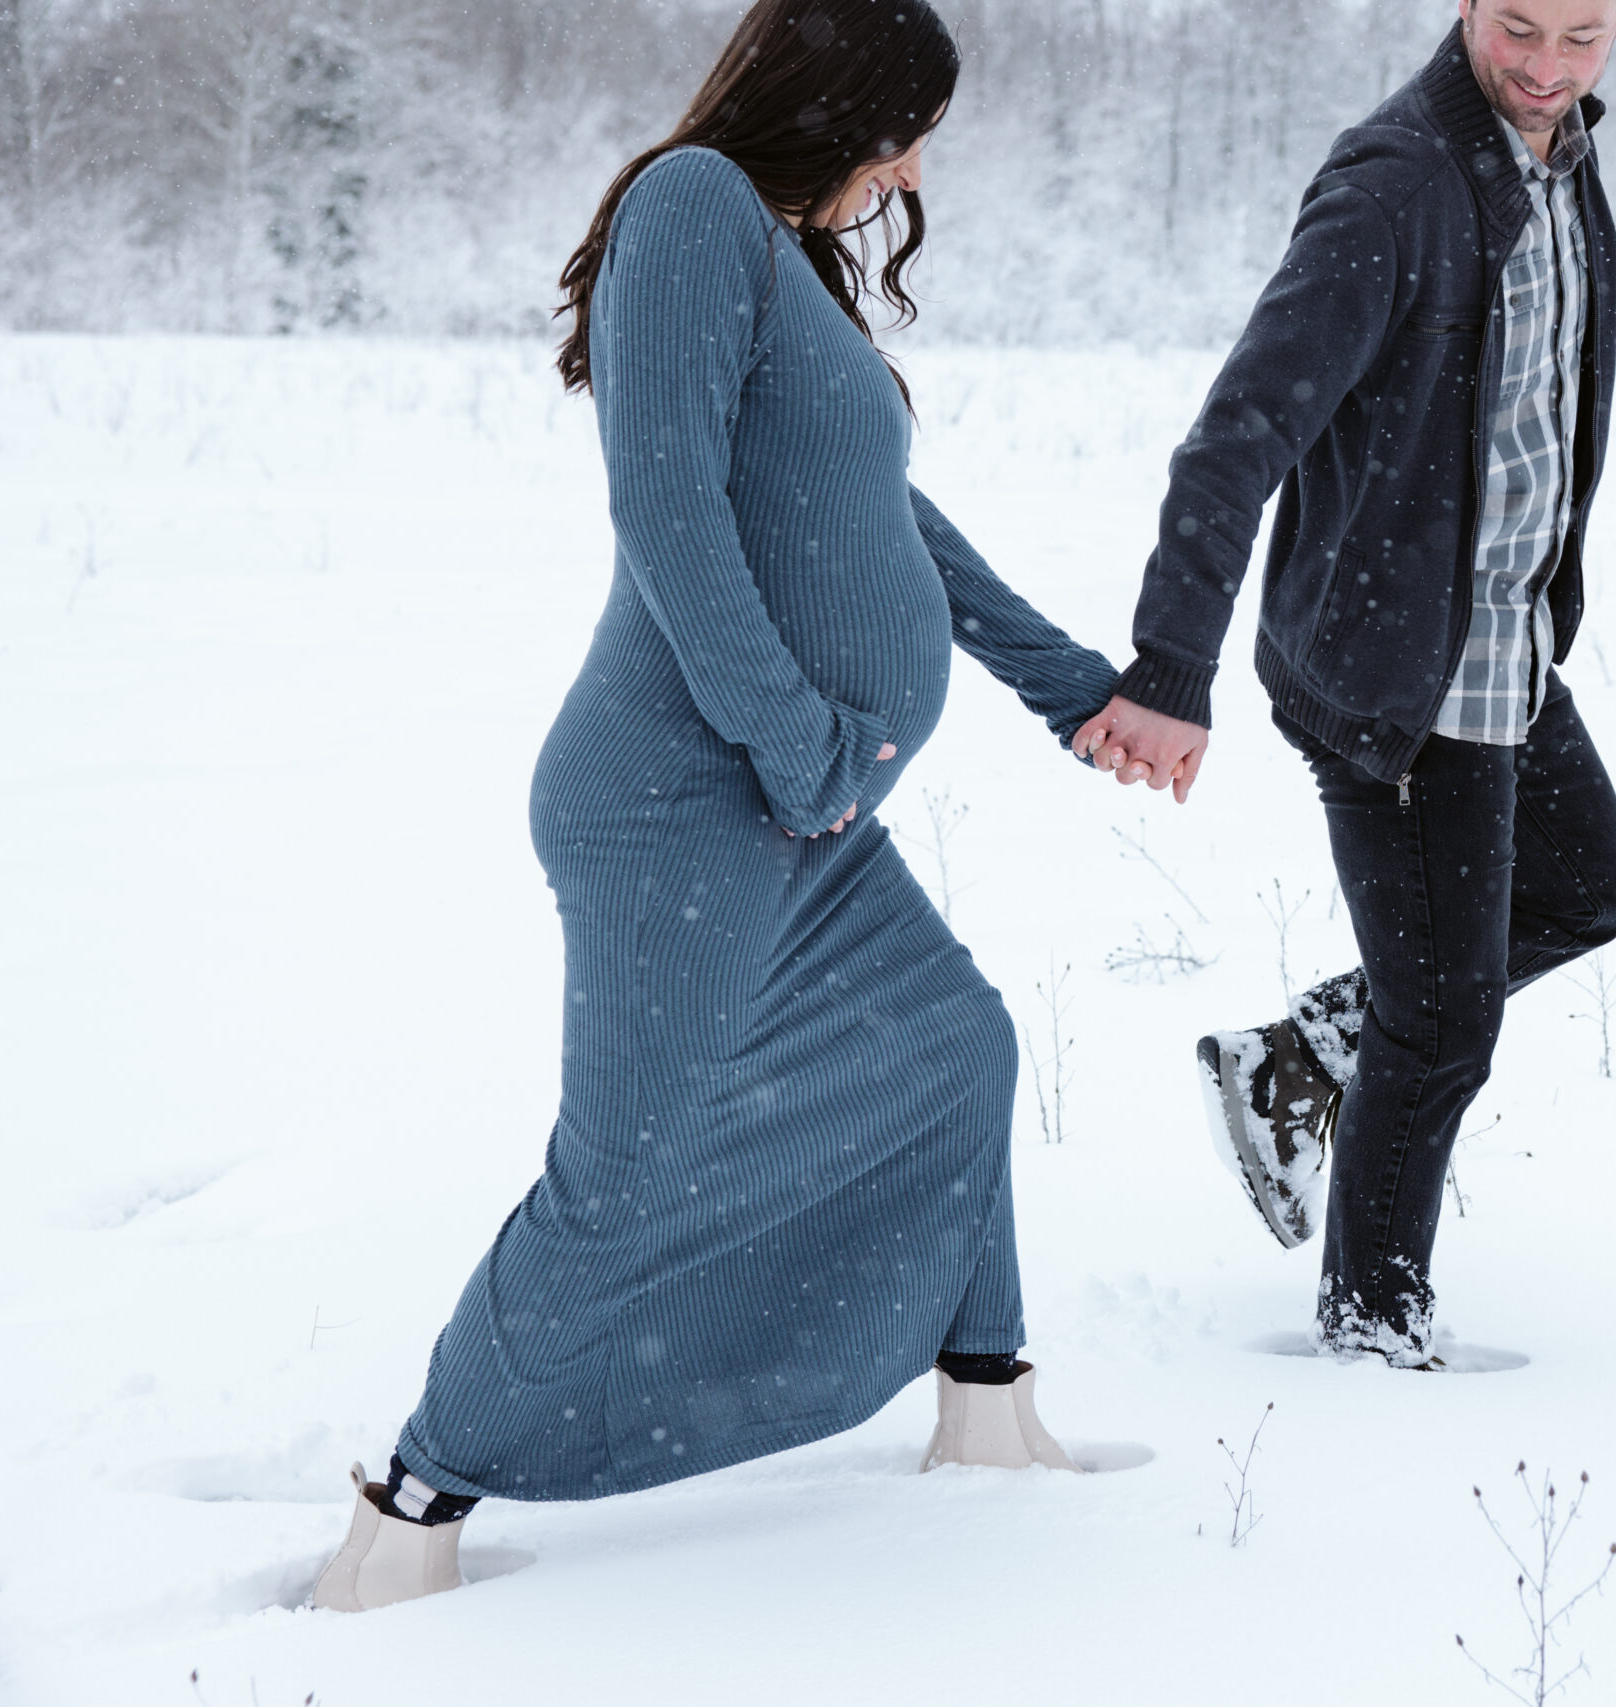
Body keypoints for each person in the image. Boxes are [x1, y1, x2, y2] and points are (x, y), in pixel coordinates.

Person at [314, 0, 1122, 1613]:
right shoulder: (692, 207)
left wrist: (1071, 685)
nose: (907, 169)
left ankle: (987, 1409)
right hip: (682, 803)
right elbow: (661, 499)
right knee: (621, 1180)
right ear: (836, 106)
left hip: (787, 813)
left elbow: (892, 530)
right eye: (904, 130)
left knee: (955, 1048)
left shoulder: (776, 257)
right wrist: (795, 739)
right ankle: (406, 1516)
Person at [1073, 0, 1616, 1368]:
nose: (1546, 67)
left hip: (1497, 638)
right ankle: (1373, 1320)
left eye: (1582, 35)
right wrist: (1169, 667)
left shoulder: (1557, 160)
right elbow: (1238, 435)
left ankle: (1300, 1056)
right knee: (1443, 1021)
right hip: (1395, 660)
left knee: (1590, 889)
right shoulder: (1398, 183)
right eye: (1519, 26)